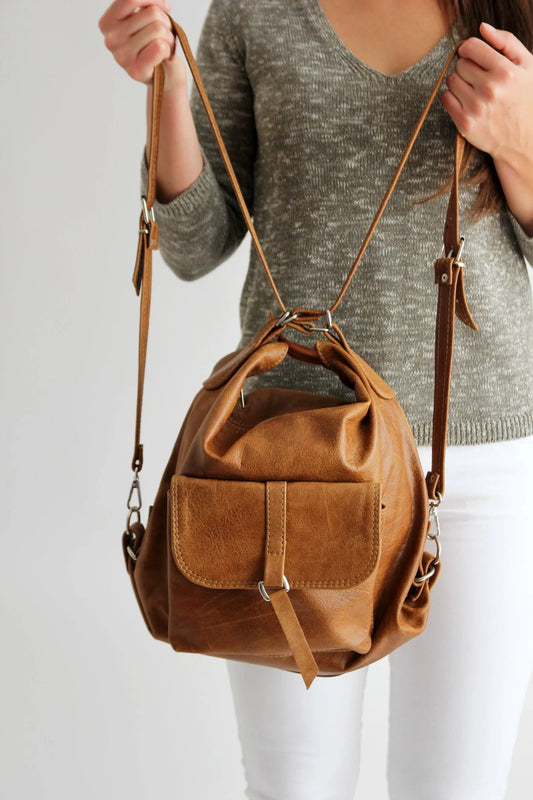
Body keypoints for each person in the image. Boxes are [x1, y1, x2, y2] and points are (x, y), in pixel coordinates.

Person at [98, 1, 533, 797]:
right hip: (289, 463)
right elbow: (194, 244)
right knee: (291, 787)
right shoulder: (253, 10)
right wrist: (162, 84)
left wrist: (521, 141)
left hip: (476, 467)